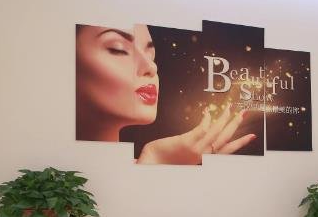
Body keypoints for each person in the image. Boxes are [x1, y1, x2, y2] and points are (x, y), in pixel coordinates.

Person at [76, 24, 256, 164]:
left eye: (151, 55)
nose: (151, 67)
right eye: (118, 49)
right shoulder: (64, 186)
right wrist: (154, 160)